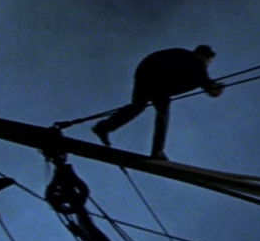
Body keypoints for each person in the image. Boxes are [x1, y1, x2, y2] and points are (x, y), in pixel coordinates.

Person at [92, 45, 224, 159]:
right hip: (157, 80)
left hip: (144, 73)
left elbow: (203, 83)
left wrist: (211, 86)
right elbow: (209, 87)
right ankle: (157, 151)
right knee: (162, 114)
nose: (208, 64)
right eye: (208, 61)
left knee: (137, 107)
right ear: (205, 57)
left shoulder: (183, 56)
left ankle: (103, 127)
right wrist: (217, 87)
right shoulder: (196, 62)